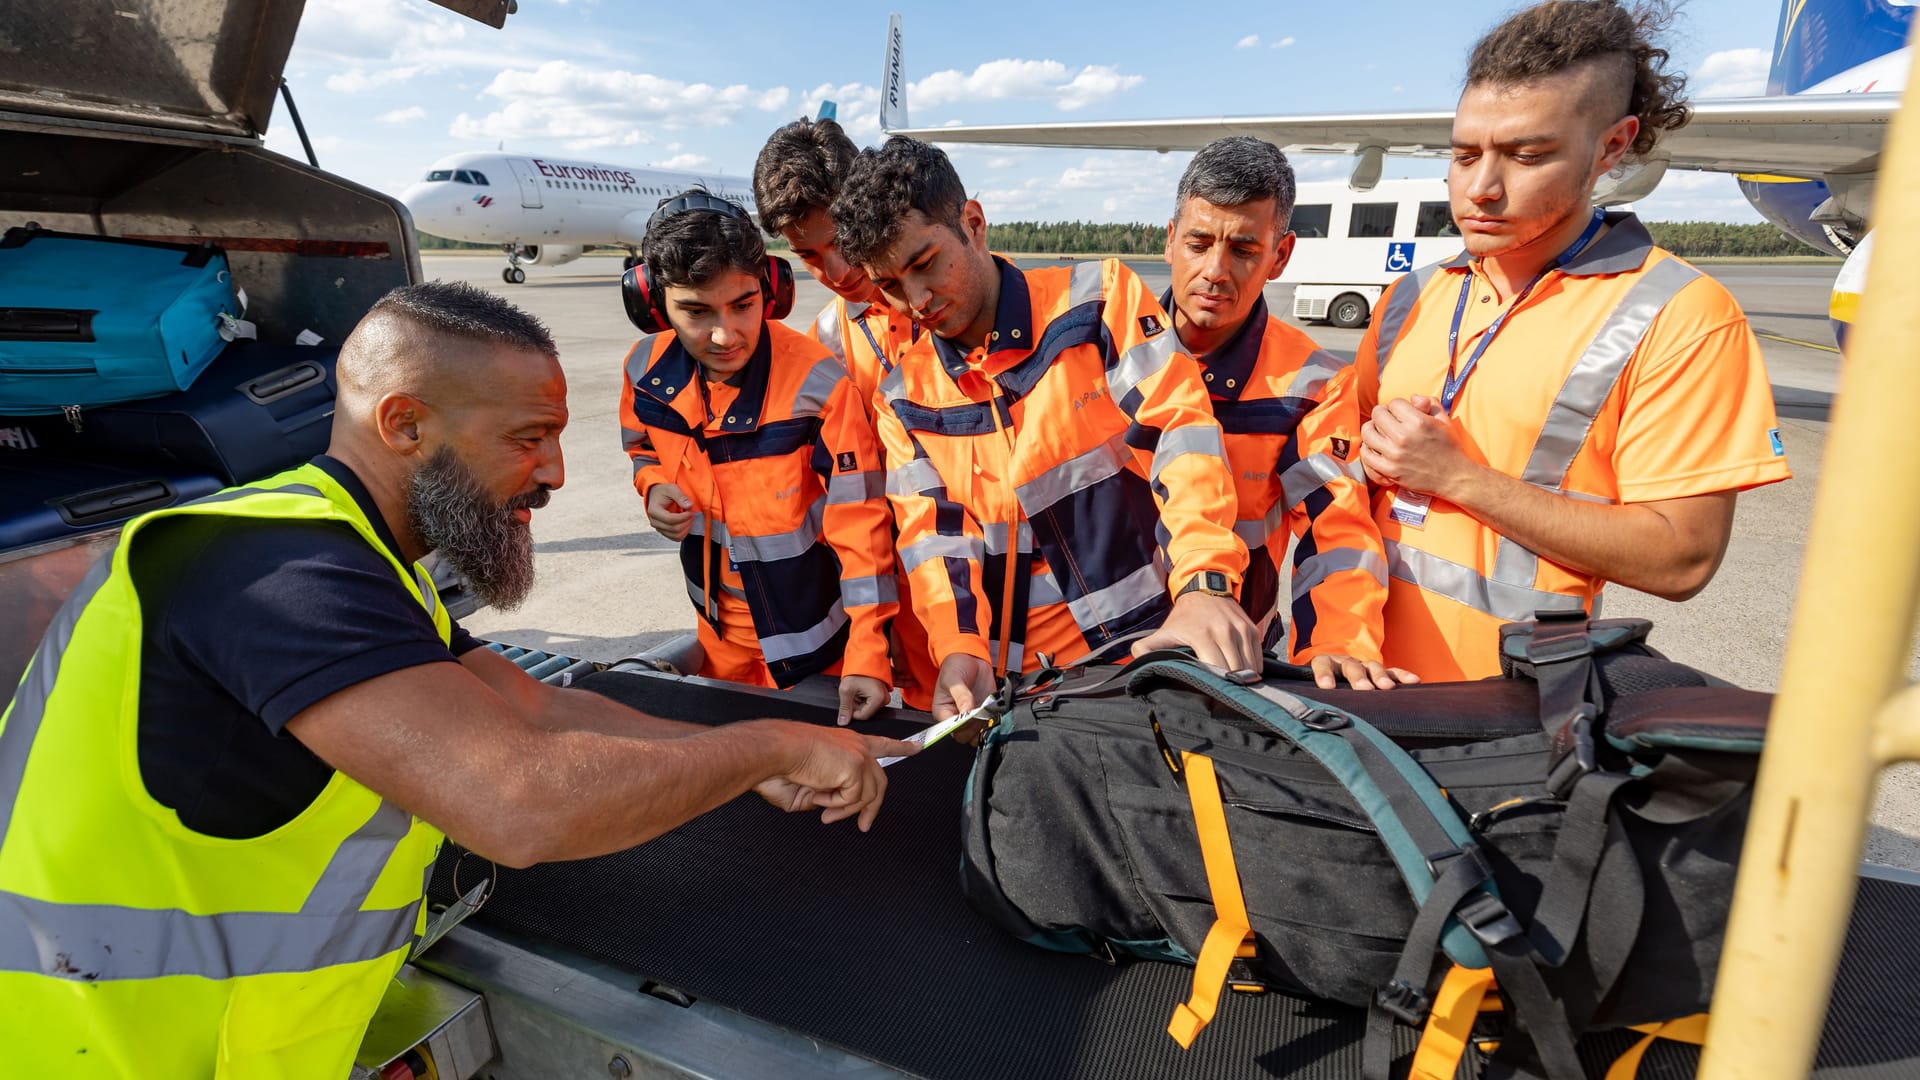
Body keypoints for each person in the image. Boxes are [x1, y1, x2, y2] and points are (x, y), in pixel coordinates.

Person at [0, 281, 913, 1077]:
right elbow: (522, 805)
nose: (555, 474)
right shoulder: (274, 571)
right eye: (529, 439)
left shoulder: (353, 556)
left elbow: (533, 705)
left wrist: (755, 760)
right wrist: (776, 740)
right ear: (403, 423)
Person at [1355, 0, 1791, 681]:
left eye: (1527, 155)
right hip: (1354, 690)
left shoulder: (1679, 314)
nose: (1481, 188)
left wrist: (1458, 478)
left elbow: (1682, 559)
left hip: (1515, 718)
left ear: (1612, 147)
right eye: (1464, 154)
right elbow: (1335, 465)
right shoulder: (1413, 296)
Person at [832, 135, 1260, 724]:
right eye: (889, 285)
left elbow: (1181, 434)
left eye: (925, 264)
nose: (917, 300)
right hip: (1008, 694)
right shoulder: (902, 396)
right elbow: (933, 540)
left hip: (1133, 662)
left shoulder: (1098, 304)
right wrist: (959, 649)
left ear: (973, 223)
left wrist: (1204, 584)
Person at [620, 192, 900, 722]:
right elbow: (641, 447)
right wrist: (654, 485)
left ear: (770, 292)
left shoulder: (818, 385)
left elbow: (862, 525)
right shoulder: (644, 371)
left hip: (815, 646)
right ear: (654, 304)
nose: (725, 335)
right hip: (717, 633)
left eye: (743, 305)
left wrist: (868, 649)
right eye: (696, 312)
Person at [1162, 136, 1414, 691]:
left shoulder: (1313, 384)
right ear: (1170, 240)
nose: (1215, 271)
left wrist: (1338, 641)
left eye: (1244, 251)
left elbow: (1338, 526)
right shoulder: (1099, 352)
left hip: (1224, 664)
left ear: (1281, 256)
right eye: (1199, 242)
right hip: (1091, 654)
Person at [753, 117, 938, 709]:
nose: (835, 273)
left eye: (840, 242)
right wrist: (878, 634)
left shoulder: (960, 292)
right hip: (907, 608)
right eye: (809, 256)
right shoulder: (826, 346)